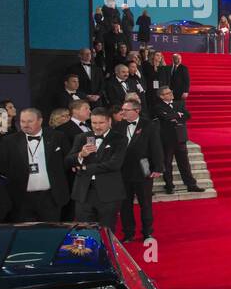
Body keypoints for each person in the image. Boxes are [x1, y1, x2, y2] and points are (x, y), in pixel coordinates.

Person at [0, 108, 68, 223]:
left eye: (30, 121)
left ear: (40, 121)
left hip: (51, 198)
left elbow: (66, 162)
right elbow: (2, 167)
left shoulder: (57, 137)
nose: (25, 125)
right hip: (21, 199)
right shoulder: (9, 141)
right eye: (22, 121)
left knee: (51, 234)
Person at [66, 108, 126, 232]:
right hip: (83, 192)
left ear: (109, 121)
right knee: (84, 232)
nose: (97, 127)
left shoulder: (119, 139)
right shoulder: (81, 137)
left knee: (107, 231)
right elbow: (68, 161)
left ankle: (106, 252)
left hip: (108, 192)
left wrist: (84, 168)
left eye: (101, 123)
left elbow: (114, 164)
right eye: (94, 123)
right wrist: (81, 155)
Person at [116, 99, 163, 242]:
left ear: (136, 111)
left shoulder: (149, 125)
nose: (122, 112)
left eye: (126, 110)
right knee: (125, 205)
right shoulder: (118, 126)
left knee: (145, 203)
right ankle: (128, 233)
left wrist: (158, 167)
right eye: (122, 110)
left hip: (143, 169)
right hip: (123, 171)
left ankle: (147, 232)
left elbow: (156, 146)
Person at [152, 87, 203, 194]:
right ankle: (169, 185)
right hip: (167, 139)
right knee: (167, 163)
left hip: (180, 137)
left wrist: (174, 116)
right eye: (168, 93)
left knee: (184, 163)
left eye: (171, 91)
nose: (171, 94)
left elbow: (188, 115)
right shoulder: (158, 106)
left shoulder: (179, 104)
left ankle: (191, 184)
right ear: (162, 96)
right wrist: (178, 115)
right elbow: (165, 117)